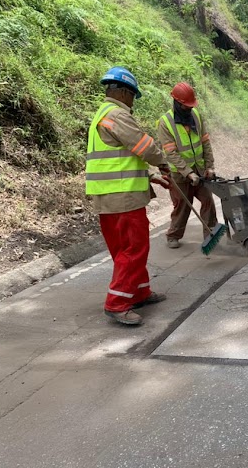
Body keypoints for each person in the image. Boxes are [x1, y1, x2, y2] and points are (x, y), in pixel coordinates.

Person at [86, 66, 171, 325]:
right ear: (123, 92)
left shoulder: (102, 114)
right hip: (123, 198)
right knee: (134, 248)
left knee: (125, 248)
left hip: (110, 195)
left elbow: (118, 161)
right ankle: (117, 303)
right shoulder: (117, 114)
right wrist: (163, 163)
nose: (133, 101)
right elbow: (142, 145)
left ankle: (139, 291)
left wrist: (150, 177)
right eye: (133, 95)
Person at [156, 82, 217, 249]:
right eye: (186, 106)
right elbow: (171, 153)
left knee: (208, 201)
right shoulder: (165, 123)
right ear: (177, 103)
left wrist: (209, 166)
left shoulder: (196, 115)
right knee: (182, 206)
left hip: (200, 169)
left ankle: (210, 233)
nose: (189, 109)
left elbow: (205, 143)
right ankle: (173, 235)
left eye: (191, 106)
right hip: (179, 174)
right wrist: (188, 173)